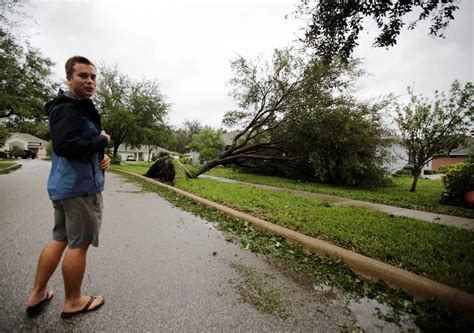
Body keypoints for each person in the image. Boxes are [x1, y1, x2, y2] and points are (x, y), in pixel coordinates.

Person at [25, 56, 111, 319]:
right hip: (79, 190)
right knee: (79, 243)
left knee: (61, 238)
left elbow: (75, 144)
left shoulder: (76, 108)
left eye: (93, 76)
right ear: (69, 78)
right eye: (83, 75)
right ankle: (73, 301)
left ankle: (38, 294)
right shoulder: (68, 108)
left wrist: (100, 157)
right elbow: (66, 146)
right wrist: (101, 141)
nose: (89, 81)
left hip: (67, 186)